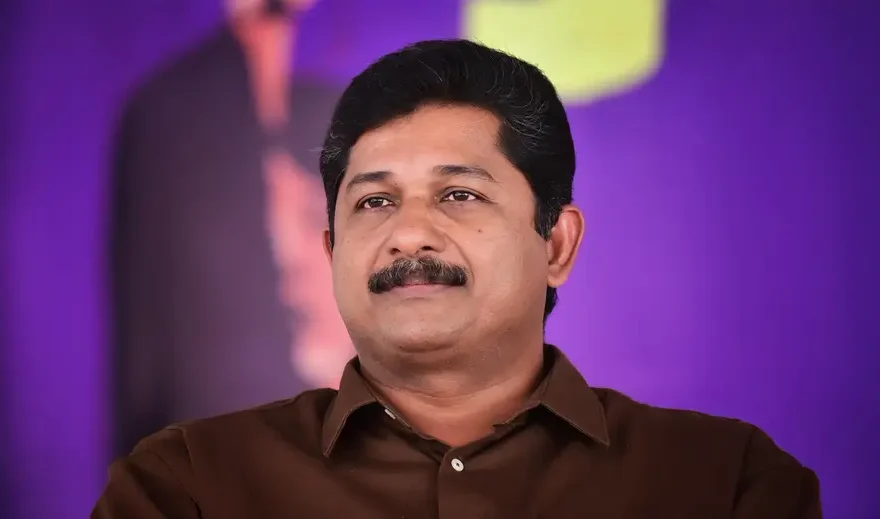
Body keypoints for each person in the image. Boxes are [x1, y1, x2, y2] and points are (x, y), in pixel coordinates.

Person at [94, 39, 821, 518]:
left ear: (556, 243)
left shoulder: (724, 483)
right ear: (332, 249)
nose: (408, 233)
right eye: (374, 202)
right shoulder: (186, 486)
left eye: (459, 194)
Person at [109, 0, 351, 457]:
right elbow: (143, 348)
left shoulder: (338, 113)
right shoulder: (170, 115)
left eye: (312, 222)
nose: (291, 254)